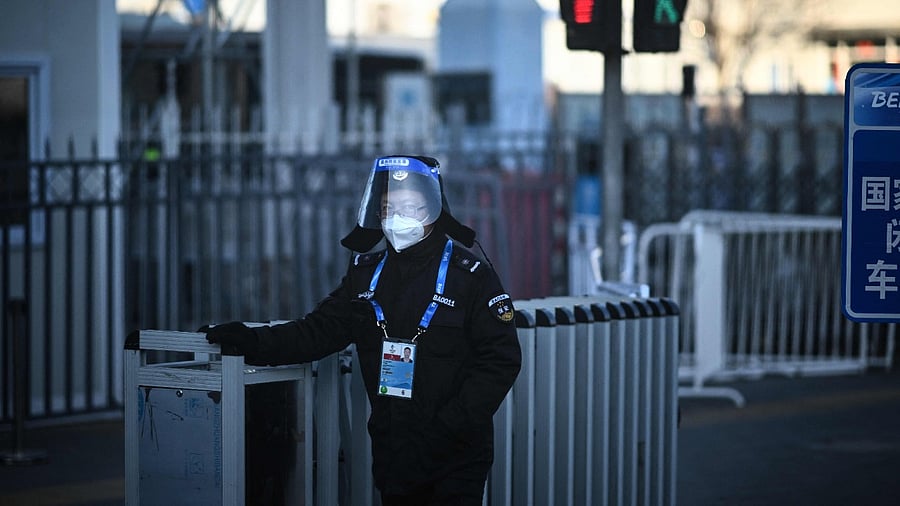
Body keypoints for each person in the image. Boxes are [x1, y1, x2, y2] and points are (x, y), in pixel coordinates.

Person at [203, 155, 522, 506]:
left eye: (410, 207)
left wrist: (447, 427)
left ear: (433, 209)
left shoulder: (470, 275)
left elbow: (500, 359)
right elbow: (319, 331)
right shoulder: (366, 273)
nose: (398, 218)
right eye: (388, 208)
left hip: (455, 454)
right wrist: (252, 340)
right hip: (394, 451)